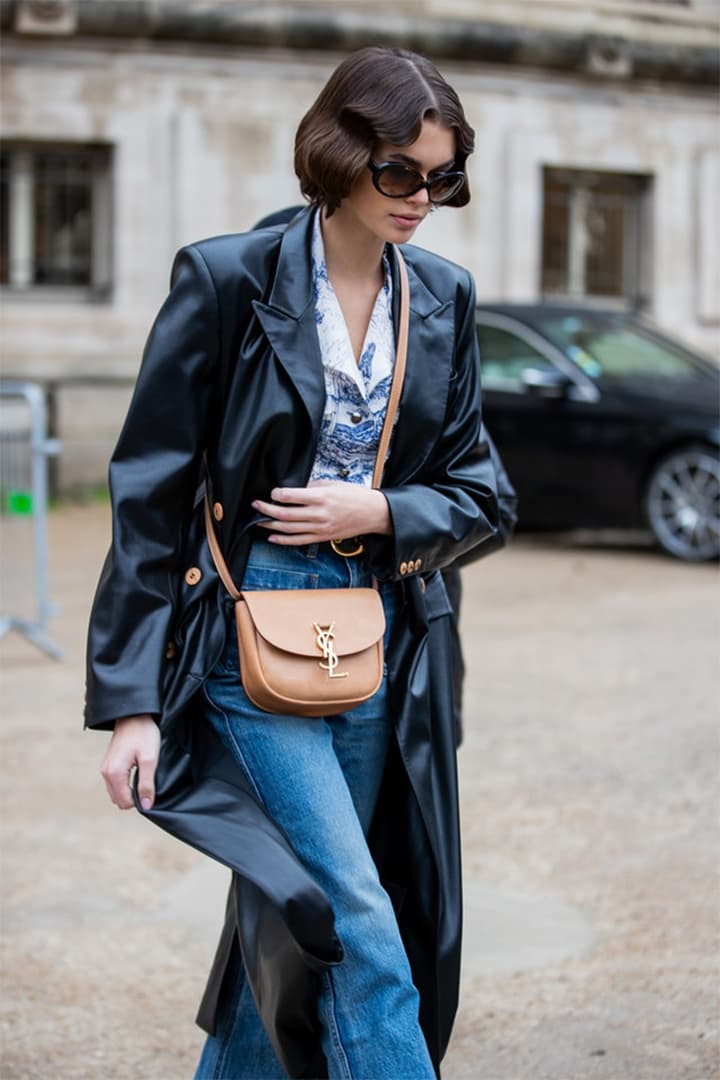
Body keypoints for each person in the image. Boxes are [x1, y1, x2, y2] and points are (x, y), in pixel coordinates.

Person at [86, 46, 500, 1079]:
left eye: (441, 179)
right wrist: (131, 701)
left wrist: (382, 507)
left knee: (300, 910)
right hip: (248, 627)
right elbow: (149, 494)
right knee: (361, 925)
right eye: (399, 170)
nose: (419, 198)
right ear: (340, 152)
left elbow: (486, 495)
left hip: (380, 633)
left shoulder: (442, 297)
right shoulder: (226, 279)